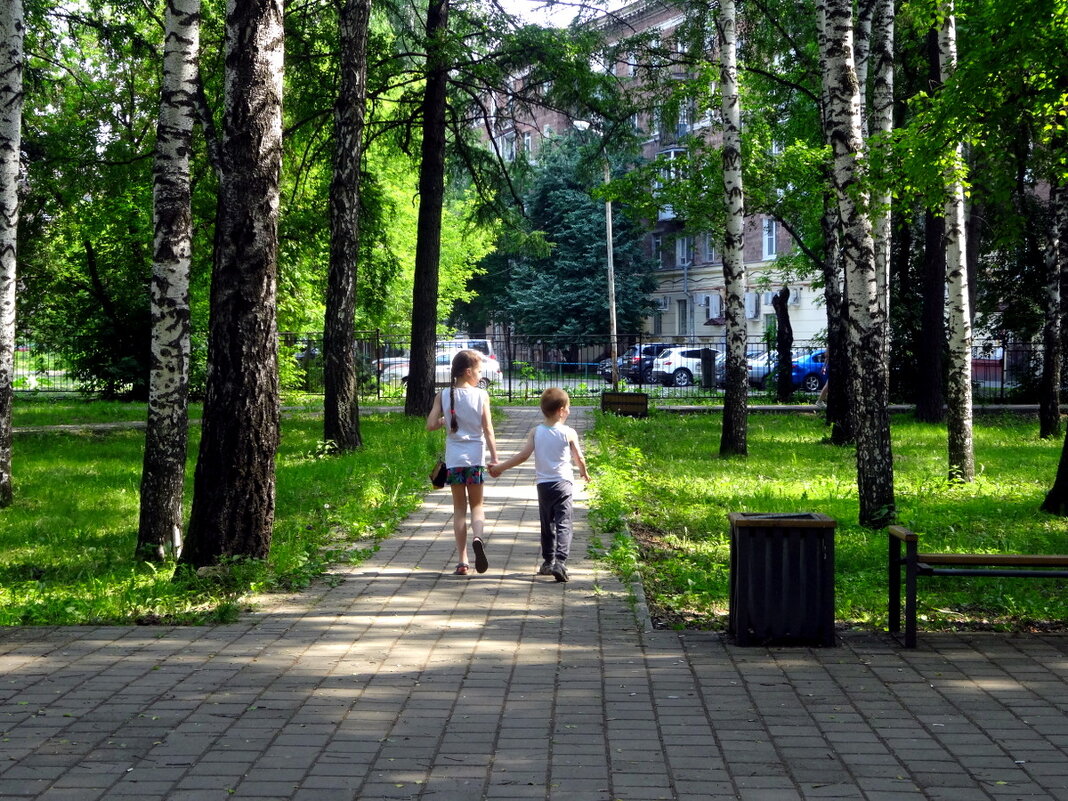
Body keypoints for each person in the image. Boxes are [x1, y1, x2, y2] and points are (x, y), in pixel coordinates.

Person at [489, 387, 589, 583]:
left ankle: (547, 561)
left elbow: (523, 456)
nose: (569, 411)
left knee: (547, 524)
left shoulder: (536, 431)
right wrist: (584, 472)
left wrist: (500, 467)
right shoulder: (569, 432)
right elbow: (579, 457)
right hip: (564, 484)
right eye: (568, 407)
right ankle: (561, 562)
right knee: (564, 524)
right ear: (561, 410)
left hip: (544, 486)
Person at [426, 349, 499, 576]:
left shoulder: (443, 395)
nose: (479, 375)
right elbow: (487, 429)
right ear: (468, 372)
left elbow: (430, 425)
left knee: (459, 510)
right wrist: (495, 458)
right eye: (478, 371)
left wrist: (443, 419)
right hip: (475, 458)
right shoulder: (481, 395)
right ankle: (478, 537)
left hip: (455, 460)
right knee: (477, 507)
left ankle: (462, 561)